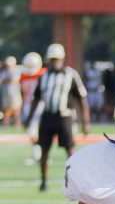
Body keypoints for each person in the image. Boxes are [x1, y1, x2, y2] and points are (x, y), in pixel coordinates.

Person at [23, 43, 90, 192]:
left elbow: (82, 99)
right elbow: (36, 98)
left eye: (57, 59)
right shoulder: (44, 76)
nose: (54, 62)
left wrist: (85, 121)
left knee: (70, 150)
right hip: (47, 116)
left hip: (64, 116)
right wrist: (29, 118)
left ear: (62, 58)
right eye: (52, 59)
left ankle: (72, 182)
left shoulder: (71, 75)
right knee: (44, 149)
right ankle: (43, 181)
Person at [19, 52, 47, 165]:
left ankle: (40, 155)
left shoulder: (43, 74)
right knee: (31, 132)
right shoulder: (23, 76)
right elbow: (22, 93)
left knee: (37, 131)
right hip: (27, 105)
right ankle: (38, 155)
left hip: (40, 105)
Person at [1, 56, 23, 127]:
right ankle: (5, 124)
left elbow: (13, 79)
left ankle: (17, 124)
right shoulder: (4, 72)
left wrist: (7, 80)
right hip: (6, 95)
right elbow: (3, 81)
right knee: (6, 110)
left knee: (16, 110)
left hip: (15, 94)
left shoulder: (16, 71)